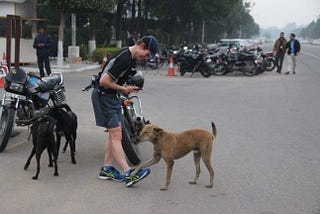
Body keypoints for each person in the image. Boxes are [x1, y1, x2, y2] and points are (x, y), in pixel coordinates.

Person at [91, 35, 159, 187]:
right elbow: (103, 81)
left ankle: (106, 168)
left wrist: (126, 88)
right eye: (147, 54)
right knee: (116, 135)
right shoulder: (124, 58)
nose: (146, 58)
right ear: (141, 45)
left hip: (112, 96)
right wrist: (123, 89)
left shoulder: (131, 59)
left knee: (114, 133)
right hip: (104, 97)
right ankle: (129, 173)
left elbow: (117, 79)